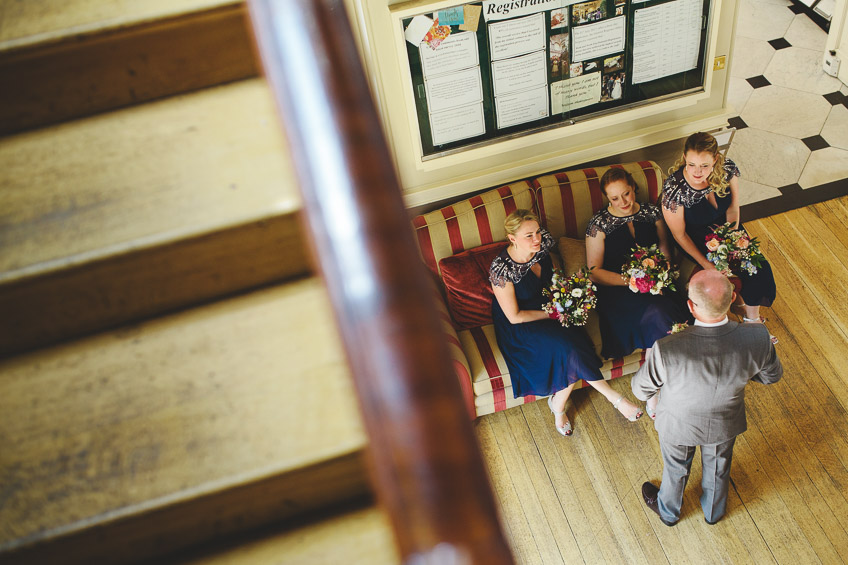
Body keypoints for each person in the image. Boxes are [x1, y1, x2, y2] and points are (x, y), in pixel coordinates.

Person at [631, 269, 783, 526]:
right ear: (734, 297)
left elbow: (640, 389)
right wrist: (743, 371)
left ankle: (669, 512)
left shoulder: (668, 348)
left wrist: (655, 395)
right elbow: (771, 376)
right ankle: (713, 511)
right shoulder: (758, 338)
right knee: (718, 468)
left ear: (690, 306)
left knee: (676, 468)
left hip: (678, 423)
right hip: (724, 422)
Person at [490, 210, 643, 437]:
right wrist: (553, 312)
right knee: (569, 348)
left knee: (574, 347)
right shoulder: (501, 270)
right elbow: (514, 316)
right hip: (523, 324)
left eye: (537, 232)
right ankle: (615, 398)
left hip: (553, 307)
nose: (536, 239)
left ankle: (558, 405)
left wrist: (567, 297)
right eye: (528, 236)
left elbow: (553, 273)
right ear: (512, 239)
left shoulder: (543, 244)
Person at [585, 168, 688, 418]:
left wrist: (660, 271)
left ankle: (652, 385)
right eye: (614, 199)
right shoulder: (598, 224)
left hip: (655, 282)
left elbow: (665, 245)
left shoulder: (652, 212)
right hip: (618, 289)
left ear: (634, 188)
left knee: (662, 311)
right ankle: (654, 390)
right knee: (658, 313)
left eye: (626, 194)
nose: (623, 202)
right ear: (607, 199)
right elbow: (594, 271)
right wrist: (631, 281)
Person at [662, 132, 778, 342]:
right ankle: (740, 313)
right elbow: (679, 235)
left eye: (705, 165)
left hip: (729, 231)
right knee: (722, 275)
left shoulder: (727, 169)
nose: (698, 172)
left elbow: (733, 208)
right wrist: (707, 264)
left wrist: (733, 239)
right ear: (684, 158)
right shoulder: (674, 190)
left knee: (758, 268)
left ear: (715, 159)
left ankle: (753, 320)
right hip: (697, 240)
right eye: (692, 164)